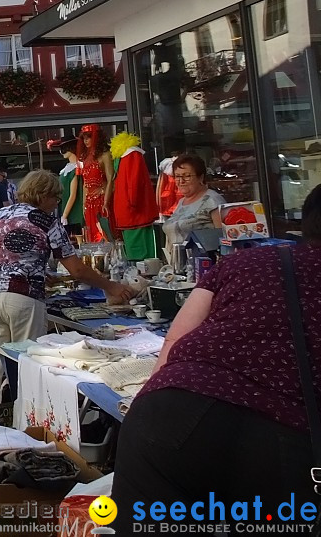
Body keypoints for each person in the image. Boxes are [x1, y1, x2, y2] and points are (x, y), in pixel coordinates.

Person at [111, 184, 321, 519]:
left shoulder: (246, 261)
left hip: (168, 409)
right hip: (279, 432)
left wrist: (147, 399)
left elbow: (174, 341)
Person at [0, 170, 133, 425]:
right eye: (56, 197)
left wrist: (35, 269)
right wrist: (111, 286)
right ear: (44, 195)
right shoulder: (47, 221)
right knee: (28, 372)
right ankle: (25, 439)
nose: (57, 203)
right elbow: (77, 270)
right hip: (24, 298)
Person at [162, 153, 225, 248]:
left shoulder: (213, 201)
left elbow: (225, 239)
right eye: (177, 176)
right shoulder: (182, 202)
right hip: (179, 260)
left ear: (201, 177)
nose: (181, 181)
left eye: (187, 176)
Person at [77, 124, 114, 242]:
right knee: (92, 235)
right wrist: (83, 204)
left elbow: (111, 179)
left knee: (105, 233)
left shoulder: (105, 155)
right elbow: (85, 184)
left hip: (102, 200)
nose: (86, 141)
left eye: (89, 137)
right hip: (89, 203)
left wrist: (106, 200)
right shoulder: (86, 158)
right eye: (84, 138)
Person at [56, 140, 84, 237]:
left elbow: (73, 194)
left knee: (79, 238)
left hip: (75, 212)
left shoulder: (77, 169)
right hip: (65, 209)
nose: (61, 152)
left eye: (63, 149)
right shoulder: (66, 170)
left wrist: (65, 215)